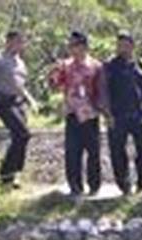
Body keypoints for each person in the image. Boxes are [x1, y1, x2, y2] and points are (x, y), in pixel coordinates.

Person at [48, 31, 106, 197]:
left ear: (84, 46)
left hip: (91, 114)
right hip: (72, 113)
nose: (73, 49)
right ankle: (75, 186)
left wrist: (104, 109)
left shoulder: (96, 66)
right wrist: (53, 74)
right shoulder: (65, 65)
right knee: (73, 152)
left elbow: (101, 90)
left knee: (93, 152)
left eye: (76, 45)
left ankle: (94, 186)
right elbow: (55, 85)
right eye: (71, 46)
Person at [0, 30, 37, 189]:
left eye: (22, 42)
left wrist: (30, 100)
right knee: (23, 134)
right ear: (8, 42)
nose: (21, 45)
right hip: (3, 101)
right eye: (18, 41)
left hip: (18, 102)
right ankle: (5, 174)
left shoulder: (20, 62)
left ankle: (13, 176)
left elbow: (20, 85)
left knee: (21, 138)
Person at [101, 31, 142, 194]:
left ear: (132, 46)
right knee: (117, 151)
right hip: (118, 115)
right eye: (119, 45)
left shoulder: (139, 64)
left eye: (125, 45)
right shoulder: (109, 66)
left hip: (137, 114)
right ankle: (124, 184)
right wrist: (107, 115)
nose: (122, 48)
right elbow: (104, 92)